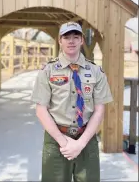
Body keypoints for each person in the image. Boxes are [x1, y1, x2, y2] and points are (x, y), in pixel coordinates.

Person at [31, 21, 113, 182]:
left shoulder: (96, 72)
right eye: (66, 37)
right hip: (56, 138)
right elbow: (41, 110)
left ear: (82, 40)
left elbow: (99, 110)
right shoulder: (47, 71)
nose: (71, 41)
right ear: (59, 41)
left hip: (87, 138)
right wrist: (64, 142)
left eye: (76, 37)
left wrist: (80, 144)